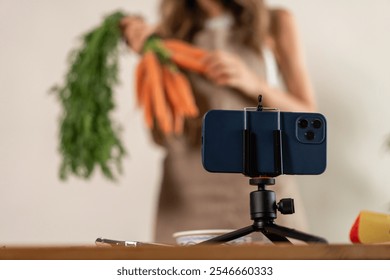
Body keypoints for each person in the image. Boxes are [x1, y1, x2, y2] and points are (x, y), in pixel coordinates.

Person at [121, 0, 317, 244]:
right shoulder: (165, 34)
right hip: (187, 194)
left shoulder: (275, 22)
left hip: (260, 188)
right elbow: (159, 134)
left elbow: (307, 115)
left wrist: (253, 83)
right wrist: (143, 47)